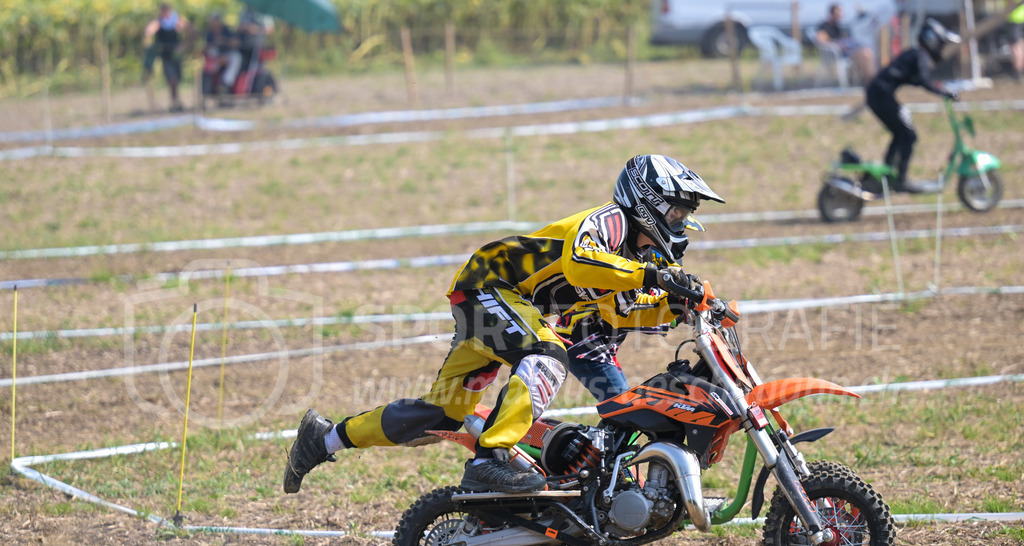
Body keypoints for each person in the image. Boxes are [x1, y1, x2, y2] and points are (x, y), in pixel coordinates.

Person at [284, 154, 724, 495]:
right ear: (647, 203)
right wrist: (656, 277)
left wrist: (678, 308)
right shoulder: (610, 221)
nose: (681, 224)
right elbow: (582, 264)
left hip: (496, 307)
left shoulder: (633, 257)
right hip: (489, 287)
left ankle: (323, 439)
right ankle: (489, 459)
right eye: (677, 213)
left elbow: (618, 309)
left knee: (441, 412)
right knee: (548, 353)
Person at [557, 221, 700, 403]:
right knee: (624, 408)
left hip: (599, 343)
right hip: (585, 343)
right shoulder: (638, 268)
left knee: (627, 409)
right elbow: (635, 315)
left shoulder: (642, 266)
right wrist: (677, 314)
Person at [865, 18, 960, 193]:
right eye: (940, 44)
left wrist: (939, 88)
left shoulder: (916, 54)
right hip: (880, 96)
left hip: (878, 95)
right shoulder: (920, 55)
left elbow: (915, 79)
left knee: (901, 133)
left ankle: (889, 175)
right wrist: (945, 93)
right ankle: (900, 180)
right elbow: (924, 80)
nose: (940, 49)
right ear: (931, 40)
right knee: (908, 135)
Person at [143, 3, 190, 112]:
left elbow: (190, 32)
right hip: (165, 55)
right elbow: (148, 31)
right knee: (172, 80)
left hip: (176, 55)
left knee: (177, 79)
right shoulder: (159, 22)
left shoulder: (177, 20)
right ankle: (175, 102)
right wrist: (149, 45)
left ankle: (176, 101)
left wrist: (184, 46)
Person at [816, 3, 876, 84]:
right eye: (838, 13)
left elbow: (842, 38)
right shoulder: (824, 25)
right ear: (832, 13)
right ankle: (867, 81)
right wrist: (837, 44)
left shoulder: (837, 26)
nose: (840, 15)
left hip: (845, 52)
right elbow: (821, 39)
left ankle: (866, 80)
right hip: (836, 54)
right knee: (865, 54)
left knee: (867, 53)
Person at [205, 12, 242, 94]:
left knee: (236, 58)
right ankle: (210, 82)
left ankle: (226, 83)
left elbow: (236, 42)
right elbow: (207, 48)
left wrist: (225, 41)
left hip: (228, 54)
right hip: (215, 57)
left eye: (216, 21)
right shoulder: (209, 34)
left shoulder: (227, 30)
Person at [1009, 1, 1024, 81]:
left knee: (1016, 46)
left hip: (1015, 19)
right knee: (1019, 45)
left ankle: (1018, 71)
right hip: (1019, 18)